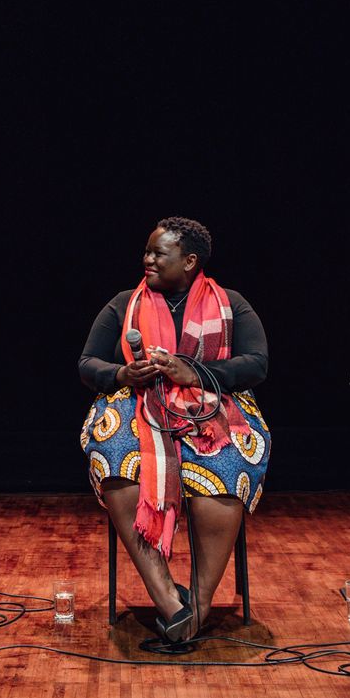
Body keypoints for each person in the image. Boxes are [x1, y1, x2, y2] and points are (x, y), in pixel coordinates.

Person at [78, 217, 271, 644]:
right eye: (146, 251)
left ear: (189, 261)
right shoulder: (124, 303)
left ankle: (198, 607)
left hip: (217, 403)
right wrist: (123, 373)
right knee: (116, 456)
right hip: (135, 403)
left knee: (228, 459)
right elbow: (88, 364)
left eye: (157, 253)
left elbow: (257, 363)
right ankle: (166, 597)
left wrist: (196, 372)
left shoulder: (231, 303)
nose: (146, 259)